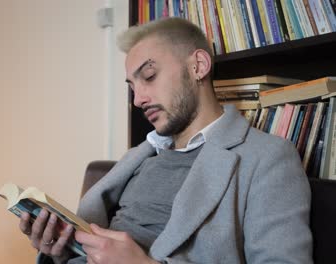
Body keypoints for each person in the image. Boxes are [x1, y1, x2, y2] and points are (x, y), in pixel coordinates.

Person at [19, 18, 313, 264]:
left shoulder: (268, 157)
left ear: (198, 65)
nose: (138, 99)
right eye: (132, 86)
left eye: (149, 75)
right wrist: (59, 250)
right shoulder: (140, 156)